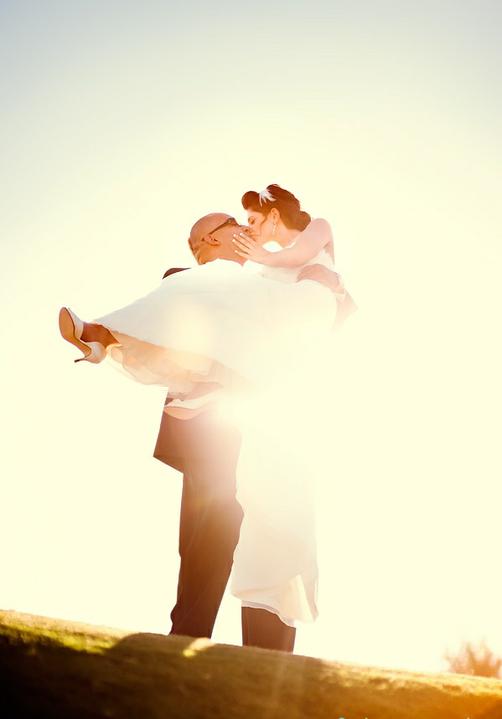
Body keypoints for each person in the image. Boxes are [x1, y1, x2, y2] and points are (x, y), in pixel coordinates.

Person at [59, 185, 354, 651]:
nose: (247, 230)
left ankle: (266, 656)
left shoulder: (269, 271)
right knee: (207, 544)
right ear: (212, 239)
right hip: (213, 441)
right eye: (238, 224)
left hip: (267, 415)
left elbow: (313, 329)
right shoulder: (197, 280)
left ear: (272, 216)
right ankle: (109, 338)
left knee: (274, 532)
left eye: (252, 221)